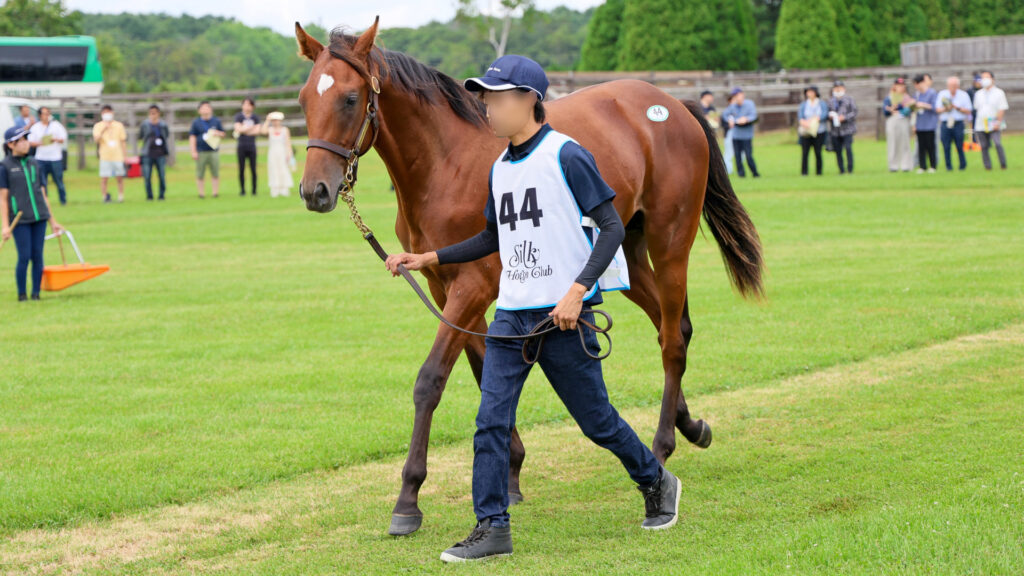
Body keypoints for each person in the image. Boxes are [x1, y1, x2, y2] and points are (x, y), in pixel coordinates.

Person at [384, 54, 680, 563]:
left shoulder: (568, 155)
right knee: (491, 421)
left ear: (528, 101)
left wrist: (578, 291)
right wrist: (429, 256)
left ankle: (657, 482)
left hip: (562, 317)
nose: (487, 107)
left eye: (496, 98)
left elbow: (611, 227)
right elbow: (492, 237)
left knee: (598, 422)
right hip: (512, 317)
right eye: (485, 97)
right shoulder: (500, 167)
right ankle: (492, 526)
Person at [0, 126, 64, 301]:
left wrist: (53, 221)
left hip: (40, 217)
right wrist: (5, 226)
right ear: (11, 144)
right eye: (20, 140)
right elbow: (3, 198)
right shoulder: (4, 167)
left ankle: (36, 294)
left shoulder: (35, 163)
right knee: (24, 256)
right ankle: (22, 294)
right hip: (20, 219)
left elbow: (43, 193)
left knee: (38, 255)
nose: (25, 143)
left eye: (26, 139)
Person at [27, 107, 69, 204]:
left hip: (55, 158)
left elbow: (63, 138)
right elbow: (30, 142)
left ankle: (63, 201)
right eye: (44, 114)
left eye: (48, 113)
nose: (46, 116)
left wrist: (55, 139)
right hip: (41, 158)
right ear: (40, 115)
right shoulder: (35, 127)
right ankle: (44, 201)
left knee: (59, 181)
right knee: (42, 182)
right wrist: (40, 143)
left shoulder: (56, 125)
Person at [972, 71, 1008, 171]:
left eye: (987, 77)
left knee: (997, 143)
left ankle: (1003, 164)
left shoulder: (999, 93)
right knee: (983, 146)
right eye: (982, 78)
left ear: (992, 79)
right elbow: (977, 108)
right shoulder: (978, 94)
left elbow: (1002, 108)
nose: (984, 80)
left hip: (994, 122)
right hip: (981, 123)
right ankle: (987, 166)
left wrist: (998, 122)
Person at [189, 101, 226, 199]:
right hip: (201, 151)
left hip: (213, 151)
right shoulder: (196, 122)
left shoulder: (216, 121)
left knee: (215, 173)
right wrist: (193, 151)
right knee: (200, 173)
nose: (205, 110)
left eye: (207, 107)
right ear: (199, 110)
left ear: (211, 109)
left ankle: (215, 193)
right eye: (203, 108)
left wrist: (217, 133)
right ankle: (201, 194)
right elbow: (192, 137)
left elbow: (223, 134)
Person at [935, 76, 972, 171]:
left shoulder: (963, 95)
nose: (953, 87)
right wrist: (946, 108)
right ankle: (948, 166)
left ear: (958, 86)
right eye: (951, 85)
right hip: (945, 123)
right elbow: (937, 109)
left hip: (958, 123)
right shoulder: (942, 94)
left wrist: (958, 108)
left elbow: (969, 110)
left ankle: (962, 165)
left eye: (955, 85)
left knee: (959, 145)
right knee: (946, 146)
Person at [91, 104, 127, 203]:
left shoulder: (118, 125)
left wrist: (125, 156)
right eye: (105, 112)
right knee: (104, 177)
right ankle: (104, 196)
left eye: (109, 112)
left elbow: (123, 141)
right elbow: (96, 139)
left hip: (117, 154)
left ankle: (121, 196)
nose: (107, 114)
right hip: (105, 155)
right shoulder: (98, 126)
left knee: (119, 177)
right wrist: (104, 129)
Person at [722, 87, 759, 178]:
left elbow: (754, 115)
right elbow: (725, 115)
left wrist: (746, 119)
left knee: (748, 155)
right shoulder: (733, 106)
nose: (736, 97)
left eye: (737, 95)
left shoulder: (749, 104)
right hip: (736, 135)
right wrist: (730, 120)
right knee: (737, 157)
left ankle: (755, 173)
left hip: (746, 135)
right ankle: (741, 174)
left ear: (742, 94)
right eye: (734, 96)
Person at [138, 105, 170, 200]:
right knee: (147, 176)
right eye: (151, 113)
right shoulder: (145, 124)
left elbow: (166, 135)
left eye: (154, 113)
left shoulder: (163, 125)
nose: (153, 115)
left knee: (162, 175)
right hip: (148, 153)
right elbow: (141, 135)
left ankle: (161, 195)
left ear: (158, 113)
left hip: (160, 153)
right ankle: (149, 195)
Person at [883, 77, 914, 172]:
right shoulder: (889, 97)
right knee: (893, 143)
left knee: (905, 143)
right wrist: (891, 108)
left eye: (902, 85)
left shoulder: (906, 97)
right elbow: (886, 111)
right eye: (899, 85)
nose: (900, 87)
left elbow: (909, 110)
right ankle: (893, 165)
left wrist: (903, 109)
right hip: (892, 120)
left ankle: (906, 165)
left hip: (903, 119)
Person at [827, 80, 857, 175]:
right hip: (835, 131)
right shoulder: (830, 101)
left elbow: (854, 112)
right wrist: (831, 117)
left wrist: (844, 118)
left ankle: (850, 168)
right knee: (838, 150)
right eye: (836, 88)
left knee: (848, 148)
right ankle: (841, 170)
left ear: (843, 88)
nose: (838, 89)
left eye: (839, 88)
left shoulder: (849, 99)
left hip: (847, 129)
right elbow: (826, 113)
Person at [797, 86, 828, 176]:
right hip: (806, 131)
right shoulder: (804, 104)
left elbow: (824, 114)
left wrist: (816, 119)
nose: (809, 94)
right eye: (808, 92)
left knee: (818, 152)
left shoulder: (821, 103)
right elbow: (800, 116)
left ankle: (819, 172)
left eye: (811, 92)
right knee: (805, 153)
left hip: (819, 131)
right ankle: (804, 173)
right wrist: (804, 122)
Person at [261, 111, 293, 197]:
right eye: (274, 120)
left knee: (283, 169)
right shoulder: (270, 130)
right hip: (273, 152)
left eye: (277, 120)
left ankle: (284, 188)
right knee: (273, 169)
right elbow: (263, 131)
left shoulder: (285, 130)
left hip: (282, 152)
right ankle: (275, 188)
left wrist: (289, 154)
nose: (275, 122)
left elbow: (288, 142)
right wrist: (267, 120)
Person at [234, 98, 260, 196]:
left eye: (249, 105)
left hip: (252, 146)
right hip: (241, 146)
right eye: (245, 104)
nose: (247, 106)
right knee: (241, 169)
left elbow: (257, 131)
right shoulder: (239, 117)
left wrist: (244, 128)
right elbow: (238, 129)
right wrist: (251, 128)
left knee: (253, 169)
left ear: (252, 107)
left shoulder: (255, 117)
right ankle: (242, 190)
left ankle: (254, 190)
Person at [912, 74, 938, 173]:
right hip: (920, 124)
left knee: (931, 146)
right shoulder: (917, 95)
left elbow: (935, 108)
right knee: (921, 147)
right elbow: (914, 110)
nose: (916, 86)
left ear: (922, 82)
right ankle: (922, 166)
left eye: (917, 84)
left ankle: (933, 166)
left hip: (930, 124)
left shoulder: (932, 93)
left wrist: (923, 105)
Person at [722, 90, 736, 175]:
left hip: (738, 135)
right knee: (728, 153)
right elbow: (723, 124)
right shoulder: (727, 112)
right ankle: (728, 170)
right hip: (729, 135)